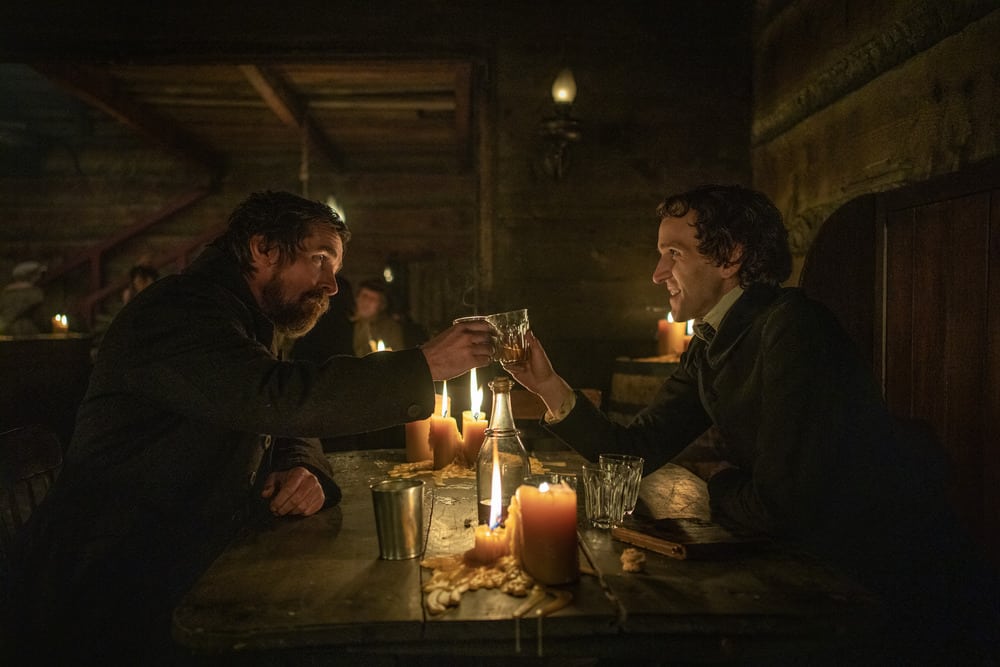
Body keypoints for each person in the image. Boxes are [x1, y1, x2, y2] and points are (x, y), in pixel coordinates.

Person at [507, 184, 999, 662]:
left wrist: (718, 484)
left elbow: (783, 504)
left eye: (673, 254)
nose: (658, 272)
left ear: (730, 257)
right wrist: (547, 383)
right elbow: (633, 449)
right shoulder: (712, 340)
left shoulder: (793, 326)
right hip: (817, 571)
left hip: (890, 589)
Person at [5, 190, 493, 664]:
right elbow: (274, 396)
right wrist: (423, 364)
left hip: (186, 565)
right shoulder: (179, 312)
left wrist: (304, 468)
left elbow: (278, 416)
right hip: (108, 589)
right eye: (321, 259)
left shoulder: (243, 317)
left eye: (336, 269)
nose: (331, 285)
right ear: (263, 248)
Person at [352, 278, 404, 355]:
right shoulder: (345, 324)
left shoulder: (390, 328)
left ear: (381, 305)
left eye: (372, 299)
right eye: (364, 296)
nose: (367, 302)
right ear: (357, 298)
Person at [0, 260, 47, 335]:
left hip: (7, 330)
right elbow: (40, 318)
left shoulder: (5, 293)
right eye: (37, 274)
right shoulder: (35, 293)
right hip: (28, 331)